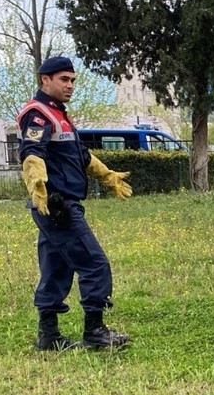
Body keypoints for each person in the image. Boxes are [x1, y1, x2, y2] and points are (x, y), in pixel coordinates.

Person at [17, 56, 133, 351]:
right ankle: (95, 332)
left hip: (58, 206)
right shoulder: (39, 114)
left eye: (72, 80)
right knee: (94, 264)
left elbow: (79, 155)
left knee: (56, 267)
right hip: (56, 205)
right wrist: (38, 185)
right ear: (45, 79)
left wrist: (108, 177)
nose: (70, 86)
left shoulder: (59, 115)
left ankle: (48, 335)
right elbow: (32, 151)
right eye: (63, 79)